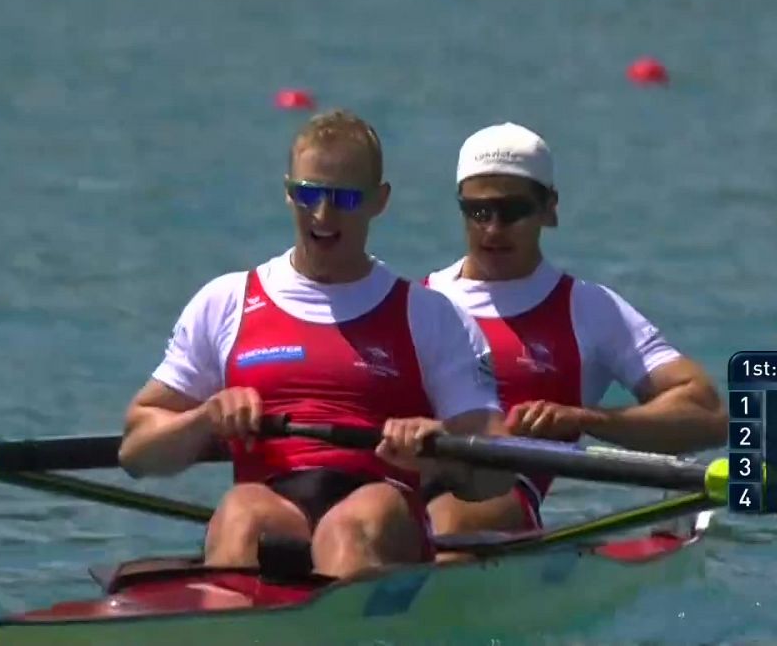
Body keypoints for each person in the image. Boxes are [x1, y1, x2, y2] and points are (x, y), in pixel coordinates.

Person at [118, 109, 513, 579]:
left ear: (379, 201)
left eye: (345, 198)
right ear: (288, 192)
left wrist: (439, 449)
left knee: (346, 529)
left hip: (381, 502)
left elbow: (497, 470)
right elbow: (135, 452)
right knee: (241, 512)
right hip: (272, 502)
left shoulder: (429, 315)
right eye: (309, 195)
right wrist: (205, 418)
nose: (323, 215)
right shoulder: (227, 302)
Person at [422, 122, 727, 536]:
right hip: (403, 484)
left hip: (495, 503)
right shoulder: (418, 300)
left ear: (549, 209)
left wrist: (588, 419)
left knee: (446, 521)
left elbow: (708, 413)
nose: (493, 229)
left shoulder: (588, 309)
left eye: (513, 212)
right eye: (478, 211)